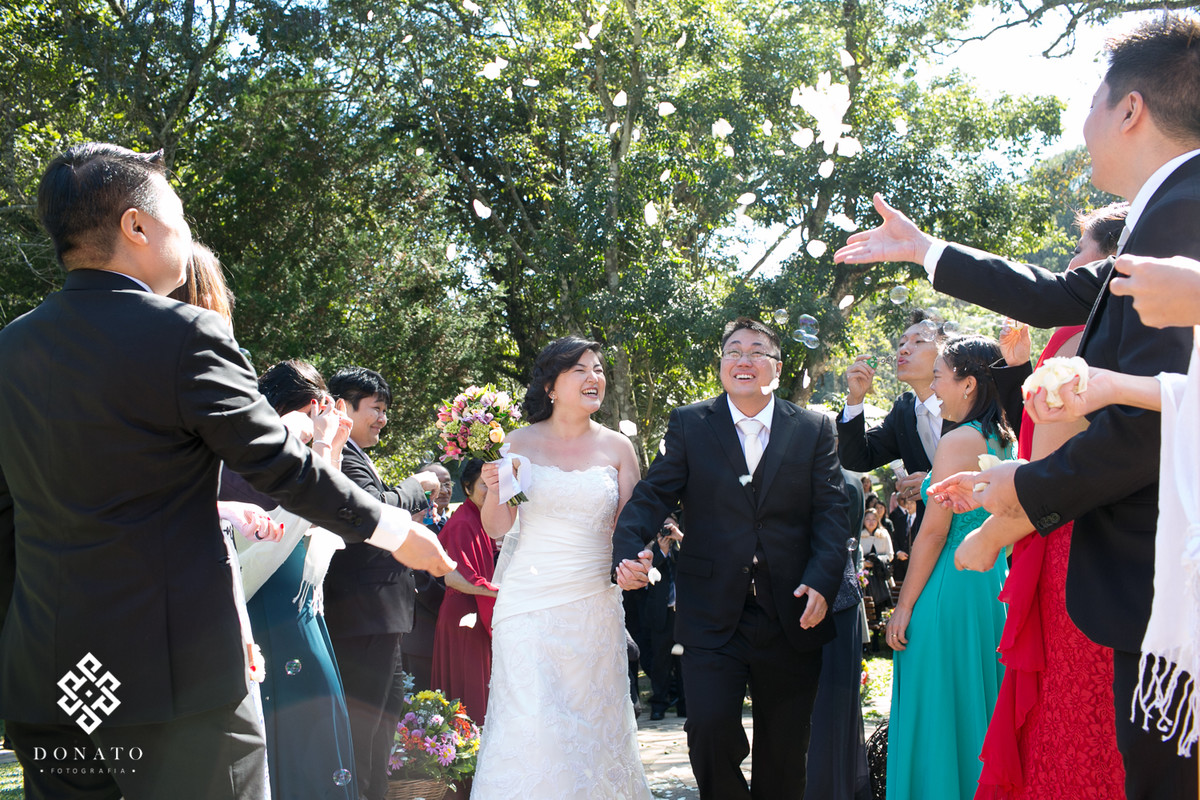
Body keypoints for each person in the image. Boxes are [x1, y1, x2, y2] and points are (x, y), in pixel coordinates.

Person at [0, 142, 452, 800]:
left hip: (46, 681)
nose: (185, 235)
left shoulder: (10, 348)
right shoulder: (185, 333)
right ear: (136, 226)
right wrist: (392, 527)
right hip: (173, 681)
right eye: (178, 217)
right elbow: (279, 465)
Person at [836, 15, 1200, 796]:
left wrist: (1024, 492)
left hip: (1163, 571)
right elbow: (1057, 292)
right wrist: (925, 250)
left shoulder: (1185, 207)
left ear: (1129, 108)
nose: (1084, 122)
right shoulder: (1163, 207)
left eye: (1093, 98)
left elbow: (1153, 424)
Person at [612, 317, 850, 800]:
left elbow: (831, 514)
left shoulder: (814, 428)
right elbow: (652, 495)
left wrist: (823, 581)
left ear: (777, 369)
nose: (744, 359)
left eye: (757, 351)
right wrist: (625, 551)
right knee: (708, 731)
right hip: (710, 612)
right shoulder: (689, 423)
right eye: (733, 351)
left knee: (785, 753)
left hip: (793, 610)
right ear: (721, 366)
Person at [975, 205, 1129, 799]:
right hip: (1117, 543)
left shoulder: (1081, 334)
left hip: (1071, 541)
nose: (1070, 263)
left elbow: (1051, 461)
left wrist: (993, 529)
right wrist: (1019, 372)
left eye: (1080, 250)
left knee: (1069, 710)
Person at [472, 336, 651, 799]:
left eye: (598, 369)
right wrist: (494, 488)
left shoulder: (618, 448)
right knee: (531, 721)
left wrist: (639, 560)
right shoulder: (518, 442)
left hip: (593, 602)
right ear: (551, 386)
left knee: (593, 723)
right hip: (528, 604)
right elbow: (498, 527)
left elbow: (631, 527)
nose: (595, 378)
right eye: (581, 370)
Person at [219, 360, 365, 800]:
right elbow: (309, 502)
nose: (321, 417)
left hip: (302, 604)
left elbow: (332, 511)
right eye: (314, 407)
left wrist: (330, 444)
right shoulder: (254, 450)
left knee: (317, 715)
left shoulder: (302, 448)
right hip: (268, 602)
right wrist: (320, 441)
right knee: (293, 720)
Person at [885, 336, 1014, 800]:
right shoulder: (1004, 436)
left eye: (940, 375)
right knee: (979, 703)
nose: (935, 387)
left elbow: (934, 533)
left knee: (936, 706)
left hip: (949, 588)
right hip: (992, 587)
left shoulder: (957, 438)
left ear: (968, 384)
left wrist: (904, 606)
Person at [322, 366, 434, 800]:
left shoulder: (354, 454)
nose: (383, 419)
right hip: (362, 614)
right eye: (376, 409)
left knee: (385, 720)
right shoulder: (343, 456)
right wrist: (415, 486)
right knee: (366, 726)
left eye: (385, 410)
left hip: (381, 615)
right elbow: (372, 510)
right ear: (342, 407)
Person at [807, 467, 871, 800]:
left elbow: (838, 543)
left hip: (832, 601)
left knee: (829, 701)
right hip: (833, 598)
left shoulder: (843, 482)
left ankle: (825, 787)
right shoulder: (849, 481)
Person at [431, 459, 499, 725]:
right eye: (485, 485)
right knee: (469, 696)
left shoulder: (483, 519)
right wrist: (498, 592)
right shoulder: (463, 522)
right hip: (465, 616)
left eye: (496, 485)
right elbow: (454, 578)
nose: (492, 491)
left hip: (477, 612)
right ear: (467, 488)